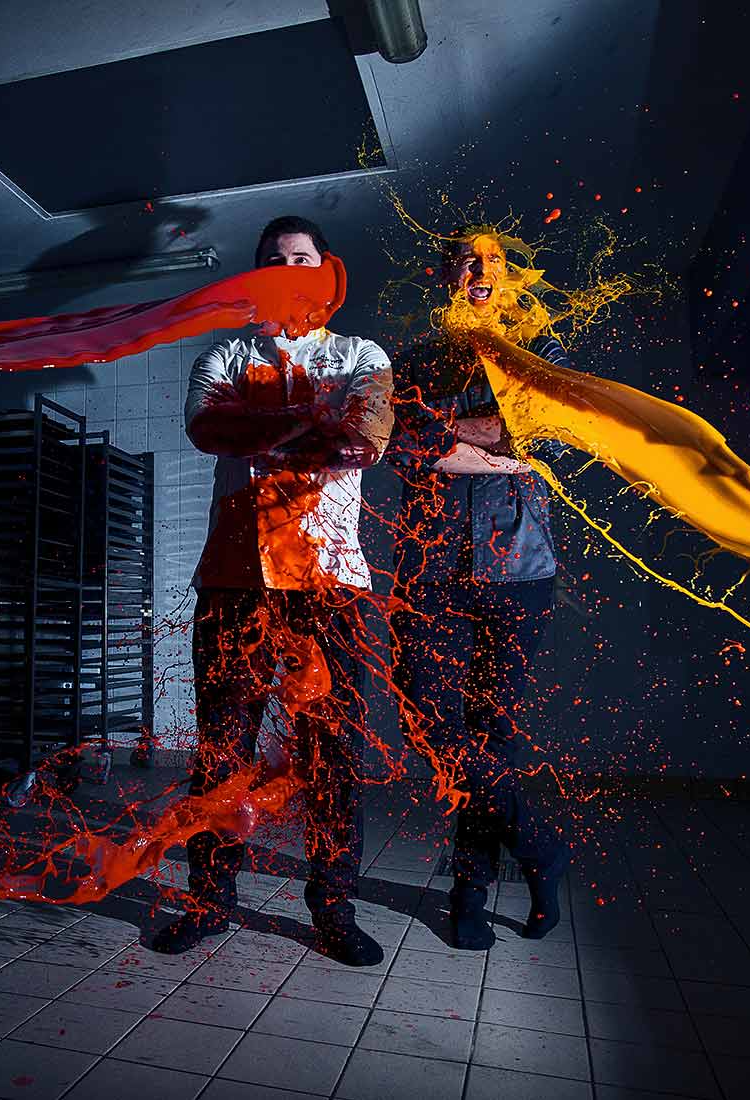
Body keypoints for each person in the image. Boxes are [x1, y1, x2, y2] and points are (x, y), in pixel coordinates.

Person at [152, 215, 394, 966]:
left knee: (331, 756)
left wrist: (266, 426)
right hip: (233, 581)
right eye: (272, 262)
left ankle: (332, 907)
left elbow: (362, 441)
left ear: (325, 270)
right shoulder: (223, 352)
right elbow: (208, 431)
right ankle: (209, 899)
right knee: (221, 752)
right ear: (257, 278)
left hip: (329, 586)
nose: (288, 269)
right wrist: (309, 424)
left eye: (301, 258)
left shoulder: (363, 354)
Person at [387, 227, 571, 950]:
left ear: (509, 274)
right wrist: (496, 447)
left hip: (520, 568)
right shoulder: (413, 359)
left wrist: (454, 440)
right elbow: (399, 444)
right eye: (466, 257)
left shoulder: (539, 353)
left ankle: (469, 884)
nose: (478, 268)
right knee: (429, 718)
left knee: (492, 733)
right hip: (429, 566)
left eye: (492, 257)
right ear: (446, 275)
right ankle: (538, 848)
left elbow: (545, 436)